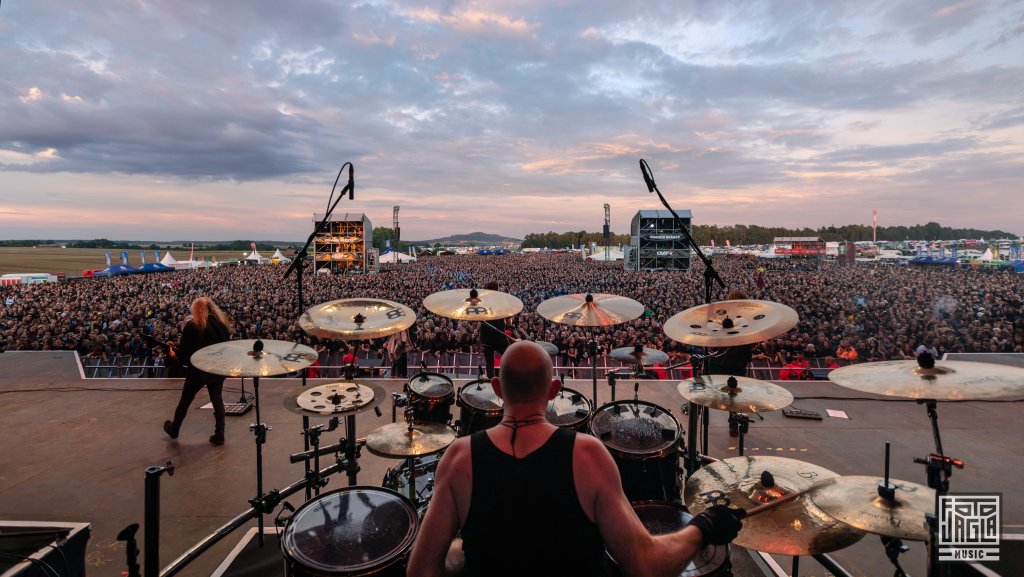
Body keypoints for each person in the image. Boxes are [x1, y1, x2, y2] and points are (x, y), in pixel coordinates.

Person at [407, 341, 743, 577]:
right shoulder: (587, 455)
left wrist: (470, 553)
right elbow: (645, 565)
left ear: (497, 387)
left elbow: (421, 569)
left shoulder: (459, 457)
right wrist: (704, 527)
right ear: (554, 390)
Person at [163, 297, 233, 445]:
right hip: (216, 368)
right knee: (217, 400)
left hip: (198, 371)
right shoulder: (221, 325)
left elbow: (184, 354)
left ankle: (174, 430)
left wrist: (174, 354)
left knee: (185, 401)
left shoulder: (192, 326)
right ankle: (220, 434)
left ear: (196, 310)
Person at [706, 290, 754, 437]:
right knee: (734, 395)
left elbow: (713, 338)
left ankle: (700, 411)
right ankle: (733, 422)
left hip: (719, 360)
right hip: (739, 362)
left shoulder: (721, 317)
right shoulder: (749, 321)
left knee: (706, 386)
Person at [479, 281, 514, 378]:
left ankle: (491, 384)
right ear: (498, 289)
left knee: (489, 363)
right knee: (510, 356)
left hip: (486, 336)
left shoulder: (482, 302)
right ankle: (509, 378)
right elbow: (508, 323)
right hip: (499, 335)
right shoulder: (502, 302)